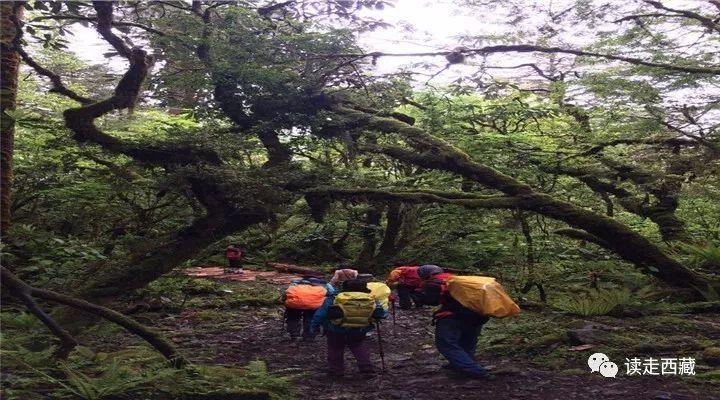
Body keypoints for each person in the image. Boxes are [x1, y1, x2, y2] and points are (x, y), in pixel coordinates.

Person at [416, 264, 490, 379]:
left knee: (446, 344)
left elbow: (433, 301)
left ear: (425, 275)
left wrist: (419, 296)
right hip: (478, 315)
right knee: (468, 342)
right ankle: (460, 364)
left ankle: (474, 370)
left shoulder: (433, 283)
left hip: (454, 317)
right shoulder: (454, 278)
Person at [310, 278, 387, 377]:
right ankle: (366, 367)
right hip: (360, 328)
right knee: (358, 346)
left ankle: (336, 370)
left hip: (335, 328)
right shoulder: (371, 299)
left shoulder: (334, 298)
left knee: (335, 348)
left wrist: (314, 327)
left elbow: (320, 314)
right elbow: (381, 314)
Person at [282, 276, 332, 341]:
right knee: (310, 318)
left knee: (293, 318)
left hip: (295, 304)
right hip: (313, 304)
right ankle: (309, 336)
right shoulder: (323, 284)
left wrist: (286, 303)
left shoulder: (294, 283)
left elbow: (285, 295)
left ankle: (294, 335)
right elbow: (331, 293)